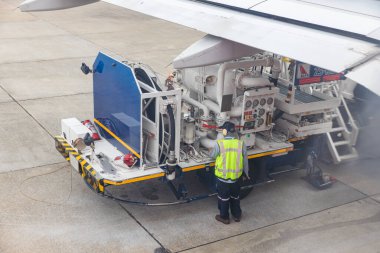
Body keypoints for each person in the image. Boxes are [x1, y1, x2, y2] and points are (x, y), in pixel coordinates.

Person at [210, 121, 250, 224]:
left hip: (222, 179)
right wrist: (246, 174)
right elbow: (245, 161)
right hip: (236, 178)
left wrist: (212, 150)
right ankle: (237, 215)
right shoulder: (241, 144)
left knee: (223, 199)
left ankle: (224, 217)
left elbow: (212, 156)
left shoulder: (220, 144)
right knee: (235, 197)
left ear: (224, 131)